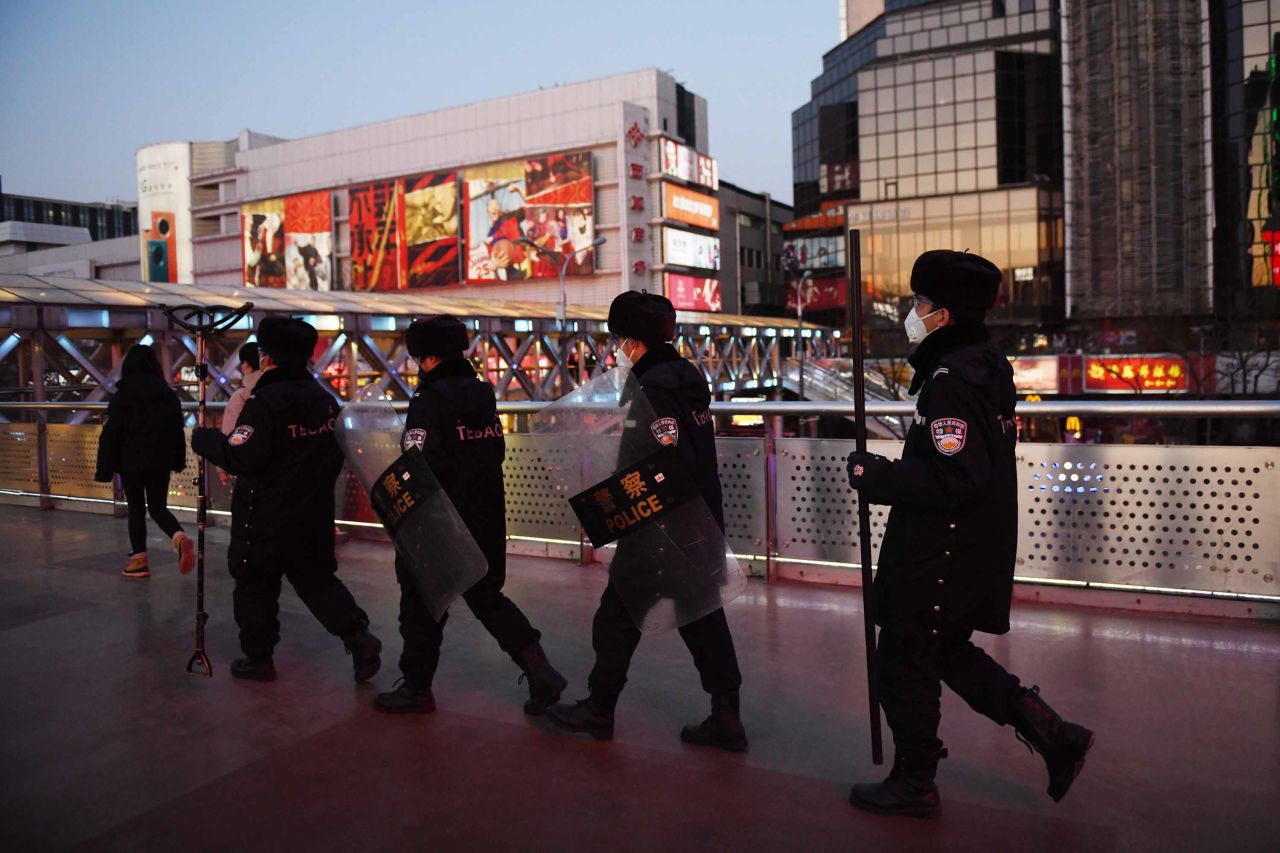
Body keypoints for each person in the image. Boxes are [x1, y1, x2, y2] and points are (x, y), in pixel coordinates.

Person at [844, 250, 1094, 817]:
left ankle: (914, 780)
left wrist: (878, 476)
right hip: (965, 548)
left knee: (904, 663)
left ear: (945, 313)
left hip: (940, 554)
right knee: (949, 655)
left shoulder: (953, 381)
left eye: (920, 303)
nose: (913, 311)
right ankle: (1055, 735)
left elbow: (954, 478)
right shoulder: (982, 365)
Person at [548, 291, 747, 751]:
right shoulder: (686, 380)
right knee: (703, 619)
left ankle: (598, 710)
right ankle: (727, 716)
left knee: (616, 618)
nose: (615, 348)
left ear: (633, 342)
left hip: (659, 530)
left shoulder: (651, 391)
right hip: (698, 523)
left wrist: (611, 514)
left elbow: (648, 467)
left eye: (618, 338)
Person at [374, 315, 567, 714]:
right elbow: (495, 452)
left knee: (421, 605)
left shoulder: (428, 401)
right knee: (487, 597)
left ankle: (416, 689)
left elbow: (418, 463)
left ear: (426, 357)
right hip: (485, 517)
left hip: (439, 523)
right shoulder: (482, 394)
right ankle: (539, 669)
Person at [191, 316, 381, 683]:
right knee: (318, 582)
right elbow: (336, 456)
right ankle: (358, 637)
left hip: (265, 517)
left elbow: (240, 454)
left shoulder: (265, 402)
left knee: (255, 585)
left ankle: (258, 659)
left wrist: (204, 440)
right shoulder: (325, 401)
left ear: (266, 357)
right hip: (313, 514)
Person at [94, 344, 195, 578]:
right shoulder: (168, 395)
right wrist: (177, 460)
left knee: (136, 510)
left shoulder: (123, 395)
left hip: (131, 462)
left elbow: (111, 434)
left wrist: (104, 468)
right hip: (160, 461)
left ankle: (139, 561)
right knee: (158, 507)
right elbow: (176, 432)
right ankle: (179, 537)